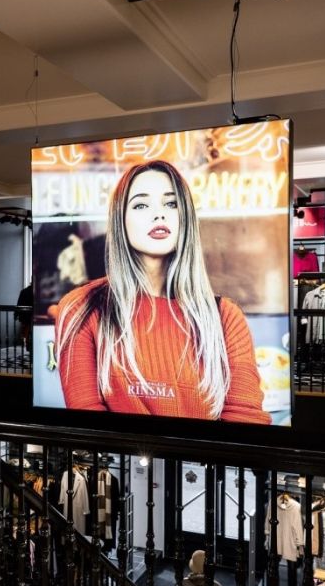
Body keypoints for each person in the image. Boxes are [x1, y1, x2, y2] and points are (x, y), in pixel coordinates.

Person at [54, 159, 270, 424]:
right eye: (141, 205)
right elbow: (87, 424)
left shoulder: (225, 317)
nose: (159, 215)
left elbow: (246, 422)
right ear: (120, 220)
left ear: (185, 218)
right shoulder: (82, 308)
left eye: (171, 204)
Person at [16, 282, 33, 352]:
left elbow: (19, 303)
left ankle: (27, 345)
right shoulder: (38, 292)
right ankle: (30, 347)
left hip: (25, 316)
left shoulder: (24, 291)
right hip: (32, 316)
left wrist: (17, 314)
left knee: (26, 331)